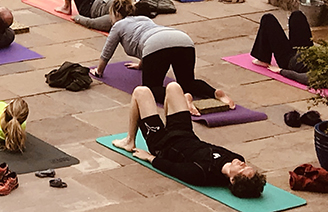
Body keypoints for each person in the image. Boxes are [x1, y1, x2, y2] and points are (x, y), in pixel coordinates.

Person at [113, 82, 267, 198]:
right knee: (174, 87)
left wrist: (149, 157)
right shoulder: (236, 158)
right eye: (246, 165)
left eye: (241, 169)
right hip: (185, 133)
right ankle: (171, 118)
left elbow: (173, 168)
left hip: (162, 144)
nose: (242, 163)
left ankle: (129, 140)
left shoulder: (202, 174)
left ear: (232, 180)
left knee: (141, 92)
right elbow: (208, 146)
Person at [93, 0, 236, 113]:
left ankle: (182, 98)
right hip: (183, 41)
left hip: (156, 45)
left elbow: (107, 51)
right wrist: (142, 65)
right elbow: (148, 38)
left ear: (116, 13)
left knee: (150, 90)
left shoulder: (118, 25)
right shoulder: (144, 19)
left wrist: (99, 71)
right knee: (187, 82)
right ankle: (215, 93)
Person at [250, 10, 313, 85]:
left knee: (267, 19)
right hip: (307, 52)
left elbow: (304, 78)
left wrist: (281, 71)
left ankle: (263, 58)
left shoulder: (323, 74)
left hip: (289, 61)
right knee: (297, 15)